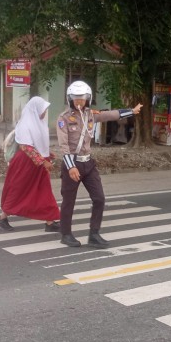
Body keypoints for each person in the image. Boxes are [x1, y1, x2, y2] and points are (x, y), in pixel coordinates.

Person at [56, 81, 143, 248]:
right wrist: (71, 166)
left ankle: (94, 234)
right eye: (76, 99)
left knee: (99, 198)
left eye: (82, 99)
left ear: (88, 99)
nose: (79, 102)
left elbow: (110, 115)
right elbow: (63, 146)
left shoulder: (90, 115)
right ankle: (66, 234)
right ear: (70, 99)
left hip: (88, 163)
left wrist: (131, 111)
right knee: (69, 201)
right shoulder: (64, 119)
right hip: (71, 164)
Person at [0, 96, 61, 232]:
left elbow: (39, 144)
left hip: (38, 164)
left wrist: (48, 154)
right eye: (42, 110)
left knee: (44, 190)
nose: (44, 113)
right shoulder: (25, 124)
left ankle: (50, 222)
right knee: (18, 189)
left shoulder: (40, 123)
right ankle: (3, 217)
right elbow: (26, 147)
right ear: (34, 110)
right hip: (24, 164)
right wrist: (43, 161)